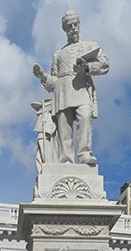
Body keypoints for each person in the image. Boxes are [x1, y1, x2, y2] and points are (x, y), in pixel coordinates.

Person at [32, 10, 109, 166]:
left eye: (75, 25)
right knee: (64, 128)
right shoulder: (58, 54)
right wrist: (42, 76)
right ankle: (66, 160)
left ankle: (85, 155)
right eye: (69, 26)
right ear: (65, 29)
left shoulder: (90, 45)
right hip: (62, 92)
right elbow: (55, 82)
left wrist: (87, 66)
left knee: (85, 117)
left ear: (79, 25)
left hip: (82, 89)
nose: (73, 28)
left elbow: (105, 65)